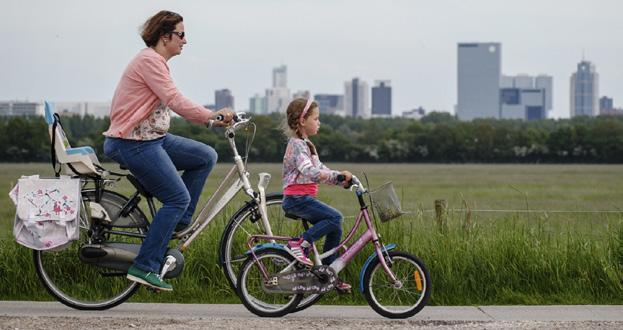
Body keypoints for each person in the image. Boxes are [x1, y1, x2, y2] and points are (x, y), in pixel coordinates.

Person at [103, 10, 234, 291]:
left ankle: (176, 224)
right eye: (182, 35)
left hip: (153, 138)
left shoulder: (156, 62)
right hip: (132, 142)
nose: (185, 41)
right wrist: (211, 116)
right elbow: (174, 99)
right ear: (165, 37)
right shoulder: (149, 60)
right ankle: (145, 266)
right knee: (177, 198)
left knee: (205, 156)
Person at [281, 97, 352, 292]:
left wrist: (341, 180)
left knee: (335, 226)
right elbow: (309, 171)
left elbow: (320, 168)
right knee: (336, 217)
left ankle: (328, 274)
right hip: (297, 199)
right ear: (303, 121)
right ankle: (299, 244)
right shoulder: (296, 144)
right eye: (316, 118)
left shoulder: (307, 144)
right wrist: (336, 176)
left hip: (304, 198)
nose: (319, 122)